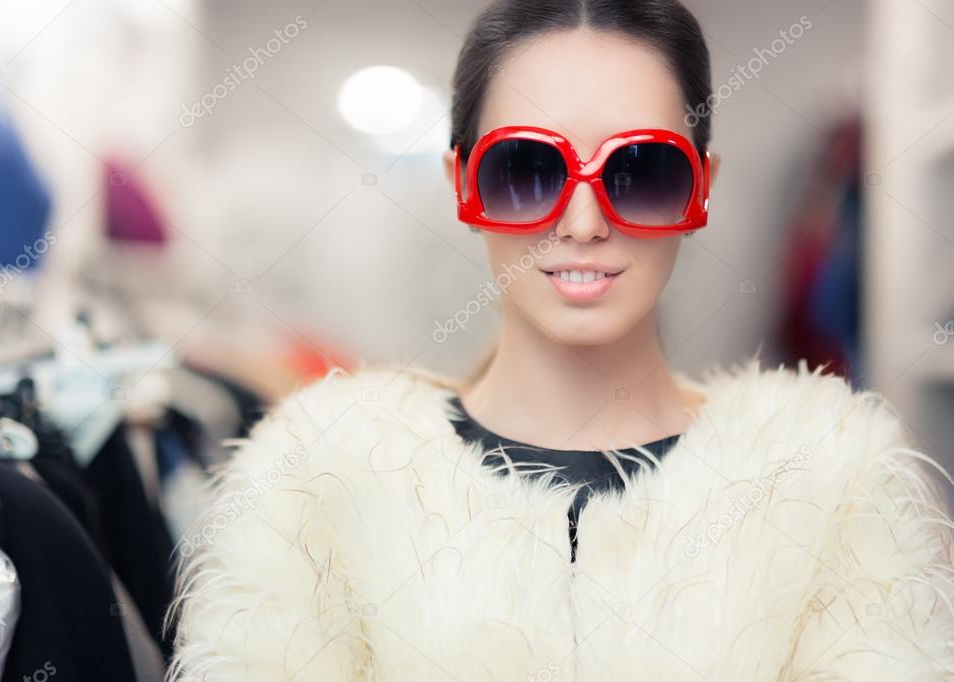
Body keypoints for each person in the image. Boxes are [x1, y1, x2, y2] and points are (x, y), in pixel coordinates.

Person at [167, 1, 954, 680]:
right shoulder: (317, 493)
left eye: (641, 172)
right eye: (526, 171)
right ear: (462, 185)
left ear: (700, 188)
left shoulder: (830, 492)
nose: (582, 224)